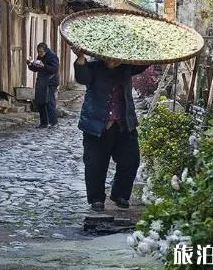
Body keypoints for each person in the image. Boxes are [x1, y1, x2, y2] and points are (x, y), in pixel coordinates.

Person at [72, 45, 148, 211]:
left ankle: (120, 194)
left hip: (123, 123)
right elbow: (82, 78)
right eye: (110, 57)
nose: (114, 60)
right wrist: (80, 57)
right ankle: (96, 198)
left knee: (131, 159)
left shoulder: (127, 67)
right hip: (96, 123)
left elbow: (144, 62)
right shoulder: (93, 67)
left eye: (117, 57)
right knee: (95, 163)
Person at [27, 42, 60, 128]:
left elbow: (55, 69)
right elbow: (36, 69)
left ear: (45, 51)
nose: (39, 54)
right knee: (40, 102)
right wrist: (30, 64)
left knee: (49, 102)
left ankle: (53, 122)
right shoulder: (40, 56)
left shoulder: (52, 56)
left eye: (41, 52)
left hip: (50, 82)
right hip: (41, 82)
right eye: (38, 52)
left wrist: (44, 66)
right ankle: (43, 123)